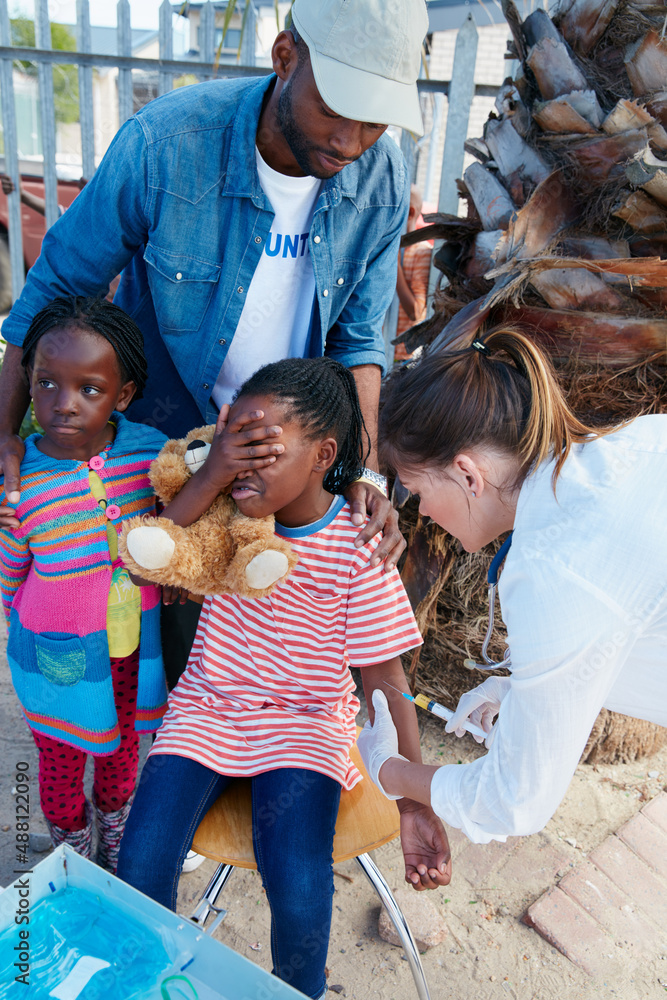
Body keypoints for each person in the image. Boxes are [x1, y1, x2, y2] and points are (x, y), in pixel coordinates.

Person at [0, 0, 431, 582]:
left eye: (375, 122)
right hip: (158, 458)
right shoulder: (165, 144)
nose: (351, 143)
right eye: (335, 109)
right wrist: (4, 432)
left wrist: (365, 471)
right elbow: (56, 288)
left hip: (285, 466)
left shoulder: (383, 179)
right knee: (151, 635)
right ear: (285, 57)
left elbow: (358, 339)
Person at [116, 356, 451, 1000]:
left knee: (297, 884)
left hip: (305, 724)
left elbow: (385, 679)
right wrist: (212, 472)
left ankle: (299, 989)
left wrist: (414, 800)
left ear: (324, 454)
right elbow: (144, 565)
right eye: (231, 444)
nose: (241, 464)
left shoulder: (359, 543)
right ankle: (145, 980)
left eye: (261, 448)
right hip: (208, 708)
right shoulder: (221, 506)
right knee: (141, 861)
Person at [357, 327, 667, 845]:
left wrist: (389, 770)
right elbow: (629, 616)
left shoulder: (553, 570)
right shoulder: (636, 442)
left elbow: (512, 800)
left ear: (468, 474)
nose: (425, 514)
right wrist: (513, 685)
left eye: (416, 493)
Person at [0, 296, 169, 873]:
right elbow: (10, 578)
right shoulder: (19, 483)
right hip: (55, 651)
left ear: (122, 396)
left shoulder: (148, 451)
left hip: (129, 650)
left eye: (89, 390)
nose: (63, 405)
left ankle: (116, 843)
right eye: (46, 384)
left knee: (123, 751)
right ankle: (73, 856)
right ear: (28, 380)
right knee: (61, 756)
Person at [394, 185, 431, 362]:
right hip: (381, 351)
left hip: (404, 356)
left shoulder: (422, 252)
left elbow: (417, 312)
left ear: (409, 212)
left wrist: (393, 265)